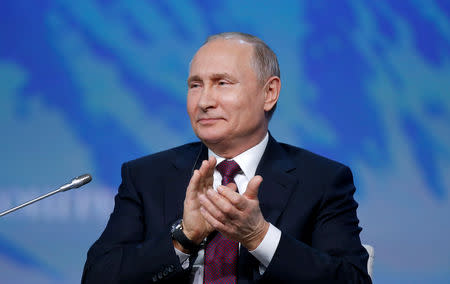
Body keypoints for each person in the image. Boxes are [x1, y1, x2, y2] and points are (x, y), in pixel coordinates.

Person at [82, 32, 371, 283]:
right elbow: (97, 276)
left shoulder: (321, 180)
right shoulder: (146, 176)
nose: (205, 101)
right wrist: (183, 238)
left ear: (269, 93)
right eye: (195, 85)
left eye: (222, 83)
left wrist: (259, 236)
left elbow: (351, 278)